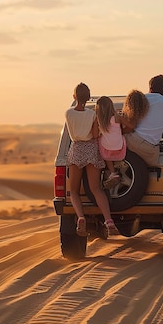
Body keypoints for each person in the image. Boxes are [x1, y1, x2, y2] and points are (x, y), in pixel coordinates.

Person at [65, 83, 116, 236]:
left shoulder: (68, 113)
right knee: (96, 189)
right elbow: (94, 135)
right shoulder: (92, 114)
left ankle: (81, 217)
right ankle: (108, 220)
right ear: (88, 98)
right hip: (91, 149)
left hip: (77, 149)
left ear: (74, 96)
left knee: (73, 190)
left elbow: (72, 132)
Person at [123, 75, 163, 166]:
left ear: (150, 88)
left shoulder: (141, 99)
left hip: (134, 142)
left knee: (111, 142)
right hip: (151, 150)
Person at [95, 96, 126, 189]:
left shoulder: (98, 120)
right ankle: (119, 163)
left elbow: (95, 135)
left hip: (106, 151)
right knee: (121, 138)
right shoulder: (117, 117)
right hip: (120, 148)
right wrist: (122, 131)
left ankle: (112, 172)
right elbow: (130, 126)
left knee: (101, 141)